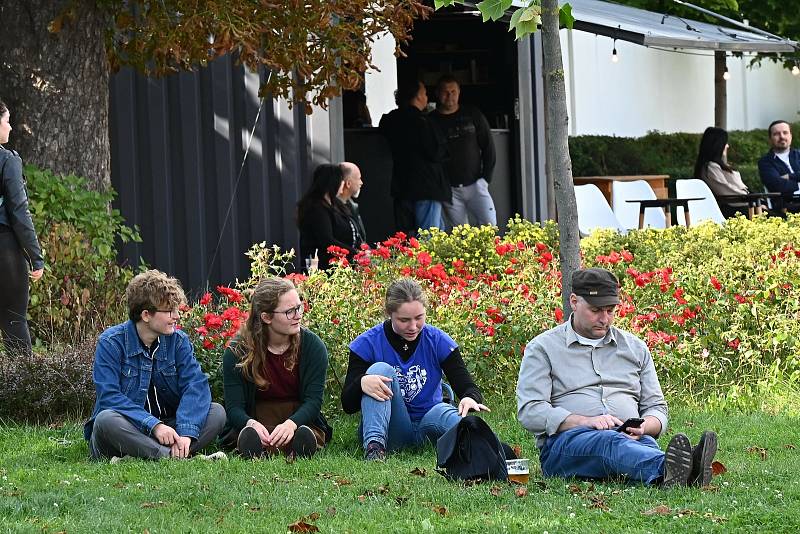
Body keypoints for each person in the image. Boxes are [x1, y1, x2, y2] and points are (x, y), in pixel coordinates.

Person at [516, 268, 719, 487]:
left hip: (634, 439)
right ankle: (676, 468)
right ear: (574, 302)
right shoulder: (543, 348)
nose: (604, 319)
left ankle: (673, 473)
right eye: (595, 310)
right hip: (567, 445)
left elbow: (657, 408)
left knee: (635, 444)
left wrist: (644, 426)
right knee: (609, 441)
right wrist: (585, 421)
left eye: (610, 310)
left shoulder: (635, 348)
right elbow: (530, 411)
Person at [84, 270, 226, 460]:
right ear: (146, 315)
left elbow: (196, 386)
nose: (177, 316)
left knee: (216, 411)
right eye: (169, 311)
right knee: (106, 419)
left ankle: (159, 454)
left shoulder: (178, 341)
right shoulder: (111, 342)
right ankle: (173, 457)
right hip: (130, 427)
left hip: (170, 427)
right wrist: (153, 425)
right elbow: (109, 396)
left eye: (176, 310)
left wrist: (186, 432)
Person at [342, 278, 489, 461]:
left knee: (444, 411)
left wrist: (469, 398)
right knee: (379, 370)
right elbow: (347, 405)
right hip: (392, 430)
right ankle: (374, 448)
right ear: (389, 314)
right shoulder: (367, 343)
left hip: (429, 424)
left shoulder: (438, 340)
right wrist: (361, 383)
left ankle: (486, 447)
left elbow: (467, 386)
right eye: (404, 320)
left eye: (419, 318)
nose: (413, 327)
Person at [222, 277, 331, 458]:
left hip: (298, 417)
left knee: (307, 431)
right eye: (290, 311)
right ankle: (254, 444)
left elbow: (313, 401)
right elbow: (234, 408)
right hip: (256, 415)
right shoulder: (237, 350)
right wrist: (252, 424)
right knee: (246, 432)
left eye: (299, 307)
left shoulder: (312, 346)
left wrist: (291, 424)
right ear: (266, 317)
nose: (298, 315)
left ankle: (300, 443)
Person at [0, 99, 44, 356]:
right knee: (14, 321)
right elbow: (19, 212)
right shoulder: (7, 160)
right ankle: (23, 391)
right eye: (6, 121)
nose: (11, 127)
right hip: (4, 250)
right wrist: (35, 258)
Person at [379, 79, 450, 234]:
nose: (426, 96)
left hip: (402, 185)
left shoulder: (391, 120)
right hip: (427, 185)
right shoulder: (424, 122)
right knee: (429, 236)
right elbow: (435, 152)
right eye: (424, 93)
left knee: (405, 237)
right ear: (417, 96)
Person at [430, 75, 497, 228]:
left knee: (490, 225)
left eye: (453, 91)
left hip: (476, 184)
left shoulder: (473, 114)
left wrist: (486, 178)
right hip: (449, 189)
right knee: (460, 234)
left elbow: (488, 147)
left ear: (459, 92)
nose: (450, 96)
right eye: (445, 92)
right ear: (437, 94)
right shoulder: (430, 120)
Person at [297, 163, 365, 270]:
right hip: (323, 268)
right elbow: (327, 240)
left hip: (339, 265)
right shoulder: (317, 208)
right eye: (341, 181)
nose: (343, 184)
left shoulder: (334, 205)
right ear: (333, 183)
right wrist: (355, 253)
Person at [693, 126, 750, 218]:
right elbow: (726, 190)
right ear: (718, 145)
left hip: (740, 205)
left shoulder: (717, 166)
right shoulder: (710, 168)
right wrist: (752, 199)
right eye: (725, 143)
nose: (727, 146)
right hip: (732, 210)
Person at [758, 120, 800, 212]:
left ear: (791, 135)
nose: (782, 137)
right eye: (776, 134)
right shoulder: (765, 162)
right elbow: (776, 185)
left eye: (785, 133)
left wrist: (790, 176)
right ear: (770, 139)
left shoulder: (799, 155)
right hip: (785, 206)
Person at [338, 162, 367, 245]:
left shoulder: (352, 206)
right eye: (359, 178)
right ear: (348, 183)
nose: (361, 182)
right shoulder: (333, 209)